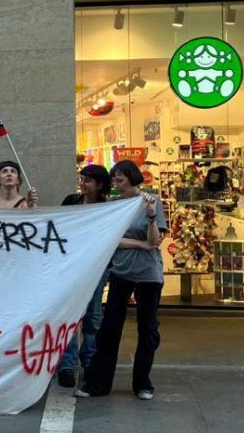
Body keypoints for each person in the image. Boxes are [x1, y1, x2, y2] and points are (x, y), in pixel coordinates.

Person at [77, 160, 167, 401]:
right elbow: (111, 238)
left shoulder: (152, 201)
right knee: (109, 329)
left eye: (119, 178)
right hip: (121, 271)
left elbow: (155, 240)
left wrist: (150, 217)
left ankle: (143, 383)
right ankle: (98, 383)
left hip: (149, 274)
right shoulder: (114, 204)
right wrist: (141, 244)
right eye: (114, 178)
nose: (115, 183)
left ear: (132, 178)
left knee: (147, 329)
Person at [56, 164, 112, 388]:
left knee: (93, 315)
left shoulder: (108, 207)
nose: (83, 183)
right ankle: (67, 364)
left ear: (99, 185)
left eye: (88, 180)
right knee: (70, 314)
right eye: (82, 179)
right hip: (72, 266)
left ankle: (88, 359)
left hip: (97, 266)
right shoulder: (72, 201)